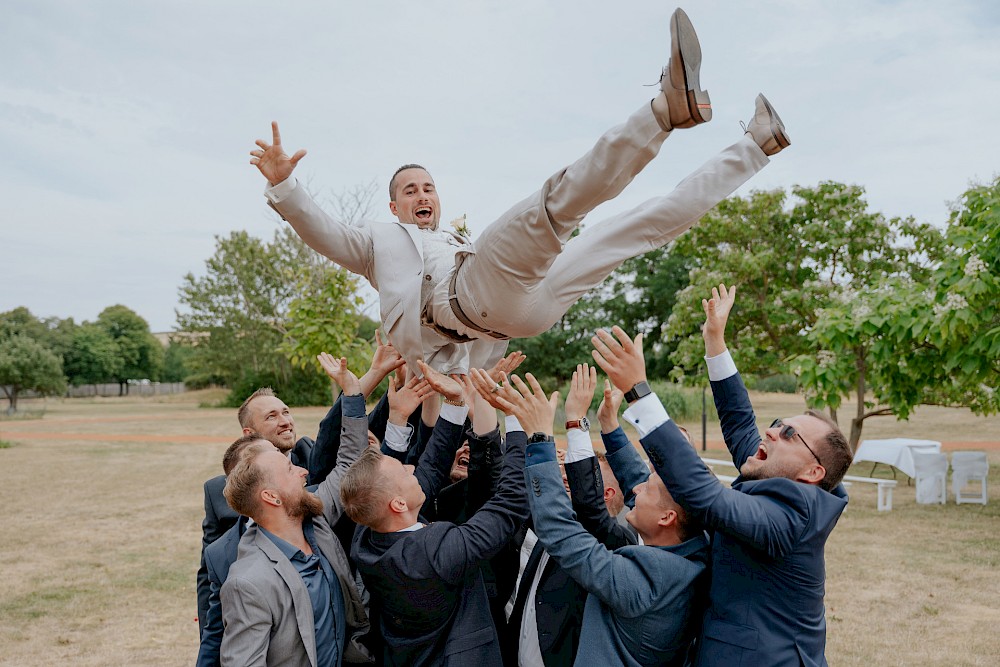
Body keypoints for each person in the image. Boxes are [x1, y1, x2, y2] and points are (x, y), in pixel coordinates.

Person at [249, 8, 788, 375]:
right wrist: (284, 185)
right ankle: (667, 110)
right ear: (393, 206)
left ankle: (757, 146)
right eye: (410, 189)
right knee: (556, 205)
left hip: (525, 309)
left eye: (429, 186)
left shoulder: (456, 238)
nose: (423, 194)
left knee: (639, 228)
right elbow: (320, 231)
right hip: (476, 300)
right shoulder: (376, 244)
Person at [589, 285, 854, 667]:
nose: (772, 431)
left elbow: (705, 496)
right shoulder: (778, 476)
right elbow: (740, 422)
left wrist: (639, 392)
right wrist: (715, 342)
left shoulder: (794, 518)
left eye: (789, 434)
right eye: (779, 423)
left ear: (813, 471)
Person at [494, 371, 710, 666]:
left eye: (647, 488)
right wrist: (609, 426)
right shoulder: (695, 545)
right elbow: (640, 480)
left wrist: (541, 438)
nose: (636, 488)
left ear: (667, 518)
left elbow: (559, 530)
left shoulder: (643, 583)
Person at [196, 337, 404, 638]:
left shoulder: (308, 456)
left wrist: (369, 381)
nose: (285, 421)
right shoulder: (218, 494)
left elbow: (340, 440)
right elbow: (209, 575)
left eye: (286, 412)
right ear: (249, 433)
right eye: (271, 416)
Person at [339, 367, 531, 666]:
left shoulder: (367, 536)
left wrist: (454, 404)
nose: (409, 467)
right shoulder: (436, 550)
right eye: (402, 471)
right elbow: (510, 505)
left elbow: (430, 469)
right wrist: (518, 423)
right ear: (399, 504)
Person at [218, 355, 375, 667]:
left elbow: (348, 463)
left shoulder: (313, 516)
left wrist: (353, 393)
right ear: (272, 498)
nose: (304, 473)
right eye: (290, 471)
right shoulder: (249, 582)